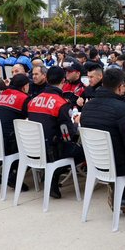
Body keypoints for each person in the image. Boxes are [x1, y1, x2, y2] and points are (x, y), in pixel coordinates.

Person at [80, 68, 125, 216]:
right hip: (119, 165)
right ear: (121, 86)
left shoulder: (87, 106)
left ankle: (124, 196)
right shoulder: (121, 108)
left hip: (96, 162)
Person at [27, 66, 82, 199]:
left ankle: (51, 175)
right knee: (84, 152)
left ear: (46, 78)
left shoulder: (33, 100)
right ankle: (53, 175)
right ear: (63, 81)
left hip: (33, 147)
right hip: (52, 149)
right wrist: (76, 124)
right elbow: (67, 135)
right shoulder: (61, 103)